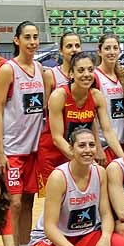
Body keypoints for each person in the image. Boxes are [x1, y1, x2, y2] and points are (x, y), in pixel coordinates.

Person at [0, 21, 46, 246]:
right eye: (27, 37)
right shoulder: (7, 70)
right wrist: (0, 148)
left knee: (27, 203)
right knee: (13, 205)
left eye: (36, 37)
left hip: (34, 150)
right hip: (13, 150)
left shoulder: (41, 70)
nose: (32, 42)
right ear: (16, 40)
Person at [34, 31, 83, 197]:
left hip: (76, 141)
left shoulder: (87, 76)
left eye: (77, 45)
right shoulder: (51, 75)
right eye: (69, 46)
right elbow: (44, 110)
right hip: (52, 145)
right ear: (61, 51)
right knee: (52, 197)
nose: (74, 49)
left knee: (73, 196)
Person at [96, 33, 124, 163]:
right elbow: (90, 115)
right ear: (99, 51)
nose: (112, 52)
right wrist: (97, 146)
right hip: (105, 145)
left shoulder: (122, 75)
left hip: (122, 143)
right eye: (107, 48)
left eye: (115, 48)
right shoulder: (95, 76)